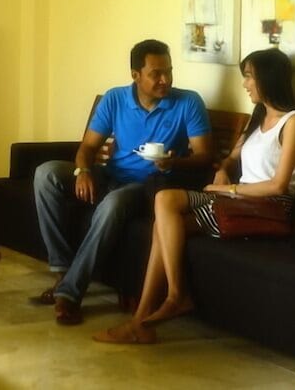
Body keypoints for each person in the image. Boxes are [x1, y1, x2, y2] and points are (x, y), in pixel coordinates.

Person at [93, 47, 295, 344]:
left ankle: (149, 315)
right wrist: (224, 169)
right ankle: (166, 301)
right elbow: (232, 158)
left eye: (249, 77)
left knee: (163, 224)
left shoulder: (293, 122)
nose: (244, 84)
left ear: (267, 79)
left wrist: (228, 189)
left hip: (267, 206)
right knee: (164, 203)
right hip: (238, 200)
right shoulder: (257, 118)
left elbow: (279, 186)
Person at [32, 39, 213, 326]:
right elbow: (88, 147)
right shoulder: (115, 99)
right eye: (156, 73)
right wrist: (83, 171)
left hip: (148, 186)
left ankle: (69, 293)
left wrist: (174, 162)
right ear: (135, 75)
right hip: (110, 174)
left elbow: (204, 157)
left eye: (168, 71)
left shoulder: (188, 102)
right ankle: (62, 270)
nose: (165, 80)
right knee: (46, 173)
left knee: (112, 204)